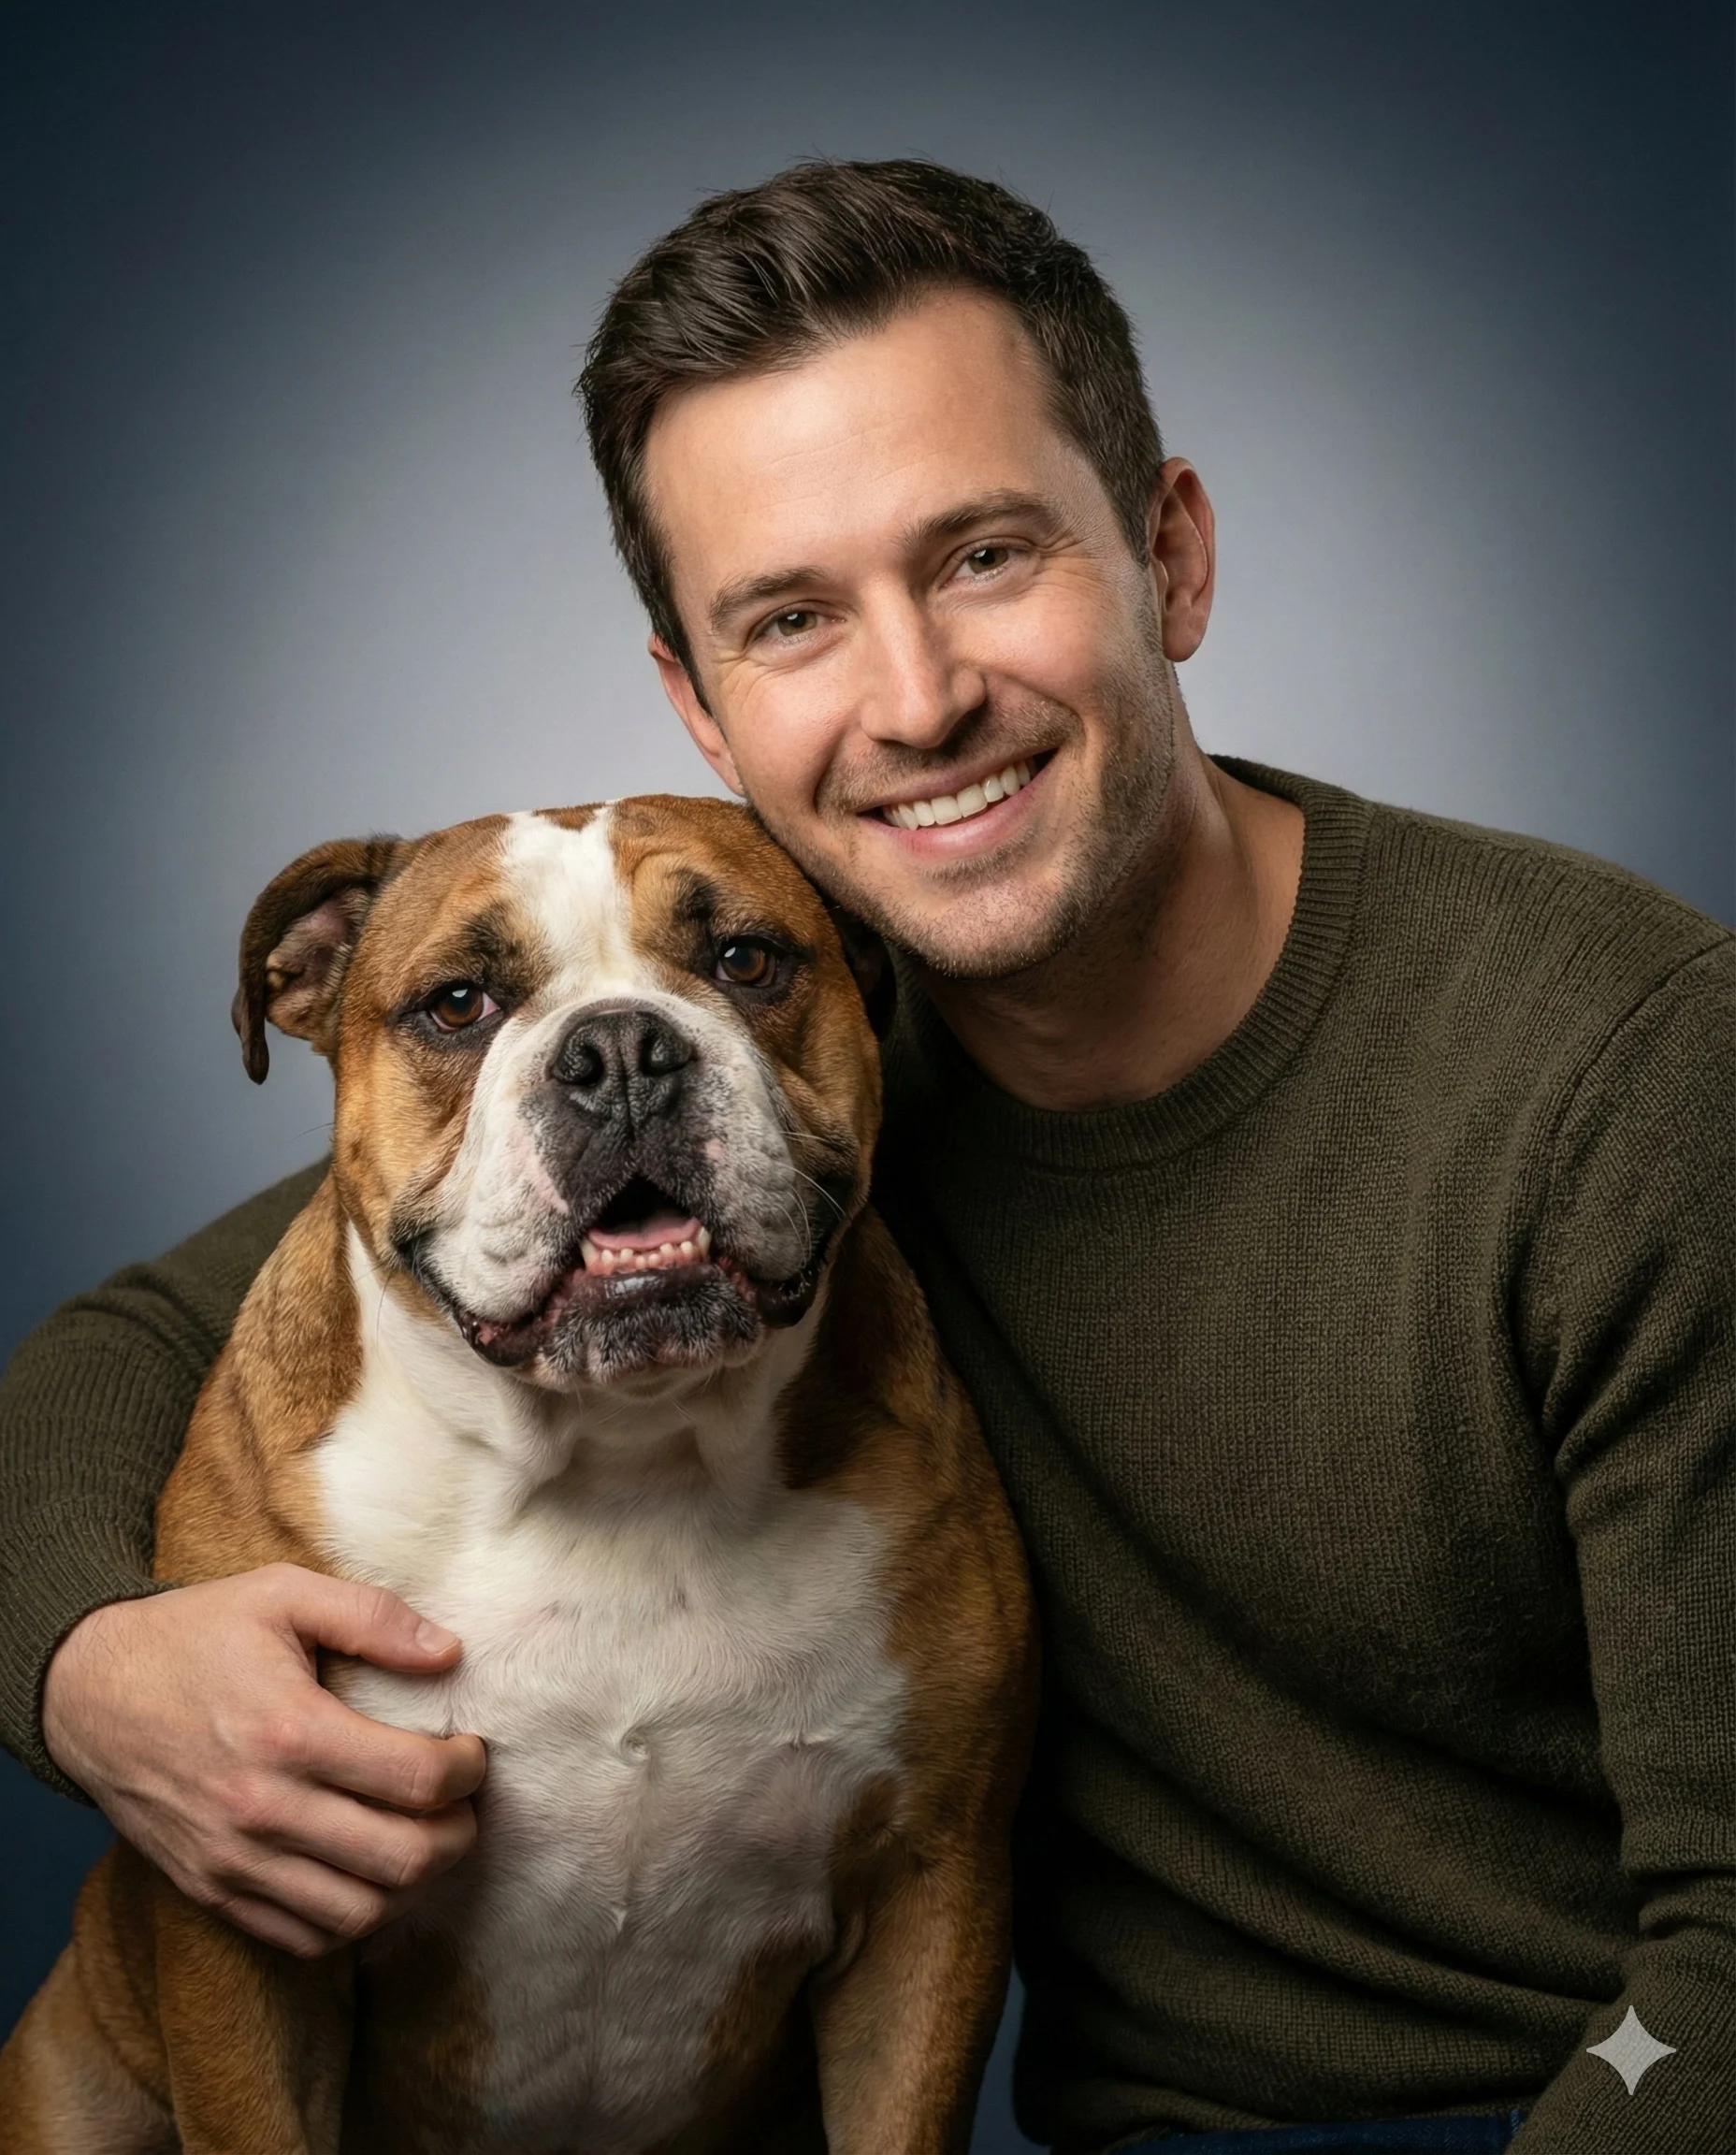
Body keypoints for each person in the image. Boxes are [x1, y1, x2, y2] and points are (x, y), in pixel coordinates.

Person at [1, 161, 1731, 2155]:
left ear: (1168, 556)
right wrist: (82, 1669)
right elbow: (133, 1345)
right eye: (792, 618)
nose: (916, 700)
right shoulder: (787, 1048)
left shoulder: (1631, 1070)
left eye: (988, 555)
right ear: (705, 711)